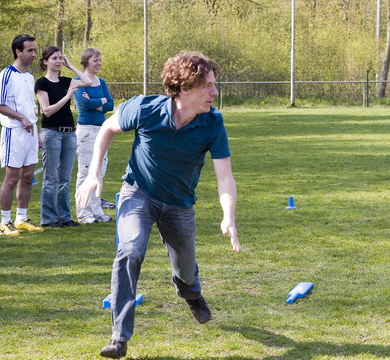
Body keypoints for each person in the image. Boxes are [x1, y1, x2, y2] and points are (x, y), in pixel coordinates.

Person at [76, 51, 241, 359]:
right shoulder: (146, 108)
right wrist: (93, 175)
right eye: (208, 86)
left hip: (179, 205)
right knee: (130, 249)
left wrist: (228, 215)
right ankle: (119, 337)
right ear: (185, 87)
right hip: (138, 194)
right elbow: (108, 129)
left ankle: (191, 293)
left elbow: (225, 177)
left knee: (185, 271)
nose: (214, 92)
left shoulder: (212, 123)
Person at [0, 34, 44, 236]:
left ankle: (21, 219)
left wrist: (35, 130)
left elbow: (29, 107)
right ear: (18, 52)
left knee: (28, 176)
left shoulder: (29, 77)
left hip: (30, 133)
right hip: (13, 132)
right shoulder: (6, 75)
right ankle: (4, 223)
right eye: (30, 50)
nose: (34, 54)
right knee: (11, 178)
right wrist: (21, 118)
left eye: (34, 49)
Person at [35, 46, 92, 228]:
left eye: (60, 58)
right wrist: (68, 95)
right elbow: (47, 111)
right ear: (45, 62)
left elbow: (87, 81)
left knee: (65, 179)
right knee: (51, 178)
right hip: (51, 133)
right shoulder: (41, 83)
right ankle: (49, 219)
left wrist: (70, 66)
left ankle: (65, 217)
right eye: (54, 58)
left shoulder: (67, 80)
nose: (58, 61)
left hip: (69, 134)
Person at [73, 48, 114, 224]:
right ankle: (84, 213)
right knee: (86, 171)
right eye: (95, 60)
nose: (99, 63)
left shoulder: (101, 82)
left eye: (99, 60)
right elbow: (84, 104)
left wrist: (101, 103)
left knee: (99, 171)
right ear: (86, 62)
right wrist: (100, 102)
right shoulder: (77, 81)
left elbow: (110, 104)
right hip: (86, 131)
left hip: (102, 130)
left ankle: (96, 211)